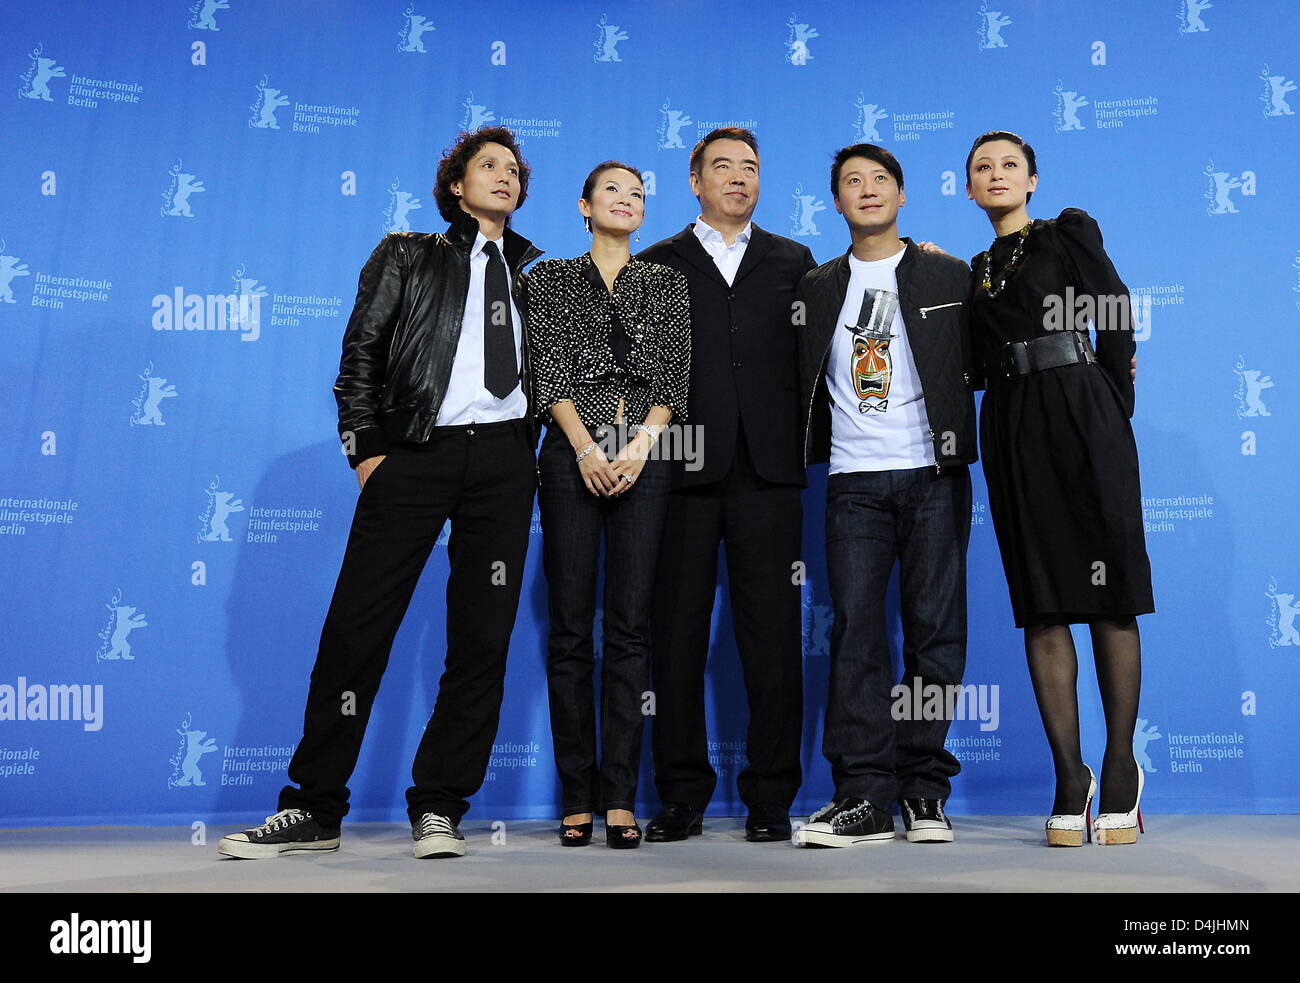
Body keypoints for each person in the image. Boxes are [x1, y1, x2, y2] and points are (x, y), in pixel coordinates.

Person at [217, 126, 544, 861]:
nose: (504, 176)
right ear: (456, 187)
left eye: (514, 170)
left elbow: (556, 382)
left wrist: (531, 456)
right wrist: (368, 453)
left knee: (481, 640)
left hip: (501, 462)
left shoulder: (537, 272)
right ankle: (313, 805)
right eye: (487, 166)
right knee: (356, 633)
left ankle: (439, 805)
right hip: (415, 453)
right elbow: (360, 352)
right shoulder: (406, 253)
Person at [964, 130, 1154, 846]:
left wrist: (1107, 403)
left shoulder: (1067, 233)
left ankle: (1120, 766)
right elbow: (973, 363)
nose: (997, 174)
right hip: (1010, 425)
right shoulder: (976, 269)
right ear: (970, 189)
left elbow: (1113, 308)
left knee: (1108, 594)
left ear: (1032, 180)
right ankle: (1070, 775)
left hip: (1081, 409)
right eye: (983, 168)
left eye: (1010, 164)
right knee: (1043, 601)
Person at [792, 144, 978, 847]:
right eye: (851, 182)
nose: (867, 190)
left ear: (902, 196)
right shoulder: (813, 287)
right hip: (852, 482)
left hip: (935, 473)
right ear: (836, 202)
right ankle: (864, 793)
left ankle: (924, 790)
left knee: (935, 633)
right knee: (857, 634)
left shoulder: (948, 272)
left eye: (880, 181)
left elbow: (989, 357)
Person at [637, 128, 815, 843]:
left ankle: (772, 798)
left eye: (750, 167)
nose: (738, 178)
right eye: (723, 166)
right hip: (679, 471)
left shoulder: (795, 262)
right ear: (693, 179)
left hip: (769, 472)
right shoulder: (656, 264)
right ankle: (681, 794)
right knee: (675, 638)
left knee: (771, 640)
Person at [527, 161, 691, 849]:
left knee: (628, 629)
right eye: (612, 192)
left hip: (643, 459)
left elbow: (673, 371)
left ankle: (619, 795)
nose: (626, 200)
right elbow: (550, 368)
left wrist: (638, 445)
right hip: (571, 457)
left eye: (637, 193)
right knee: (570, 630)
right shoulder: (550, 279)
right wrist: (587, 449)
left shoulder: (666, 282)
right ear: (584, 206)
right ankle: (576, 795)